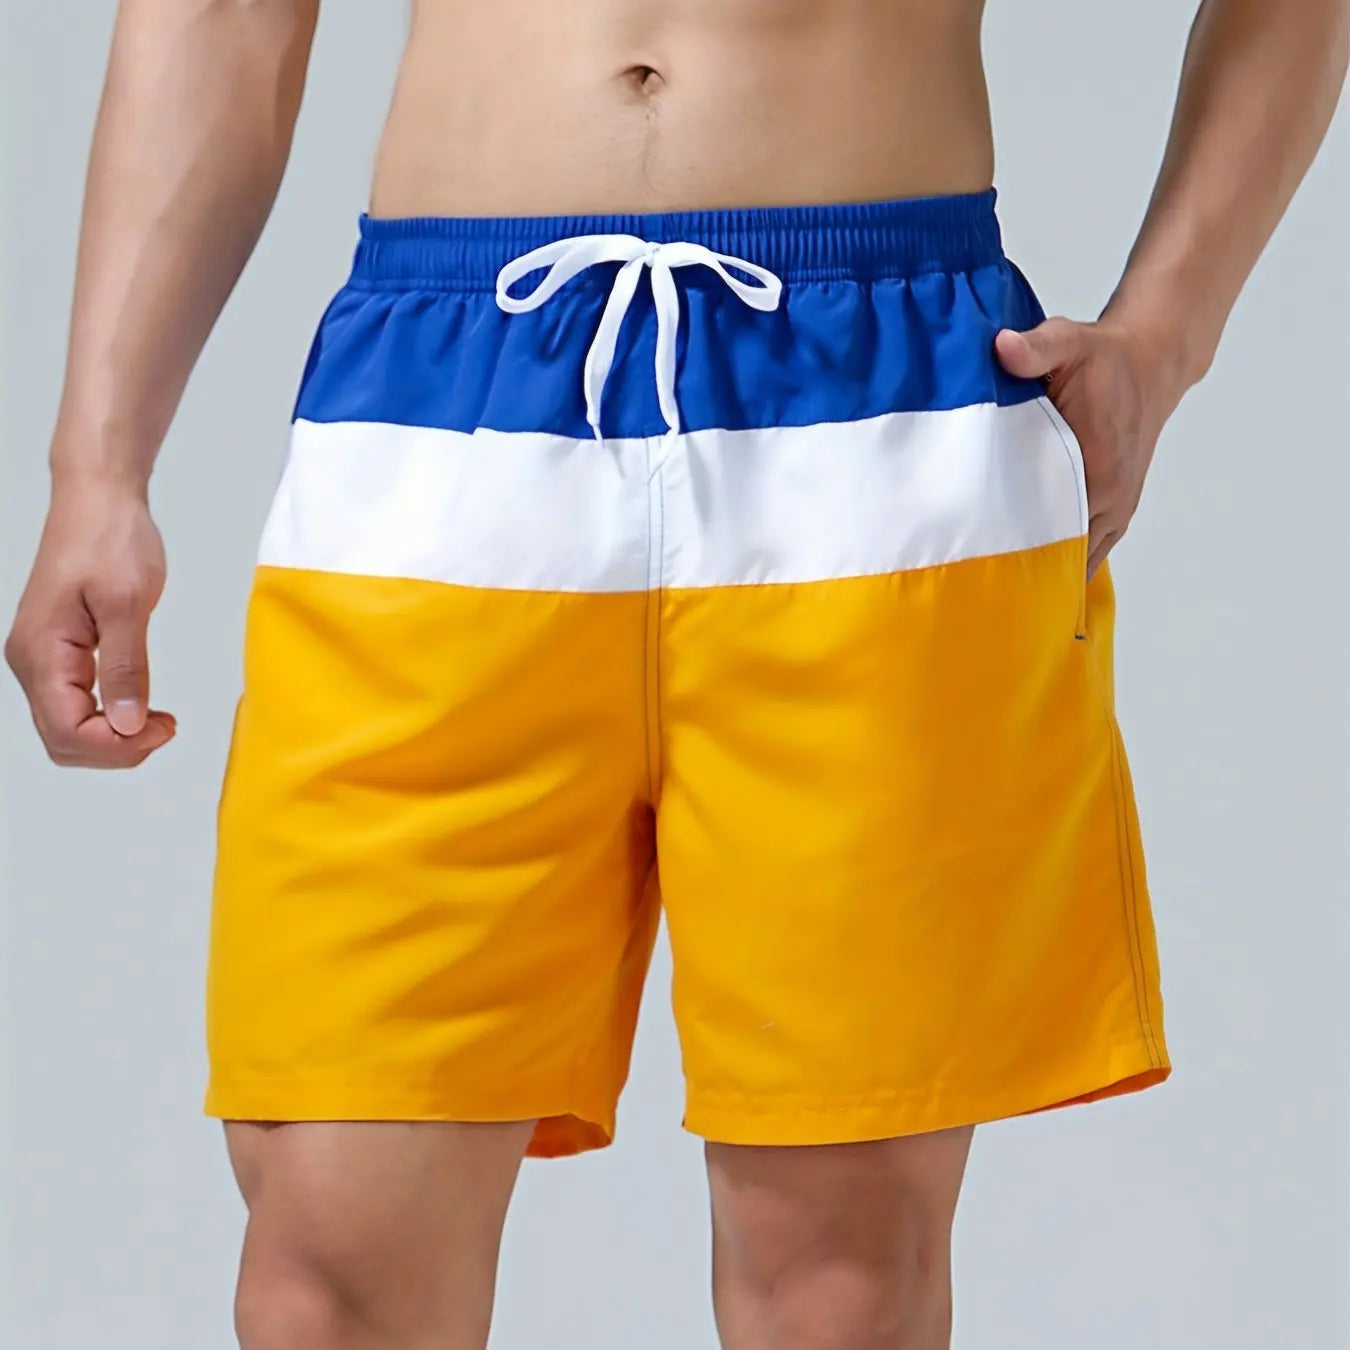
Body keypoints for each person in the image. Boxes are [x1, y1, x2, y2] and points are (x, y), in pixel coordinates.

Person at [7, 0, 1346, 1346]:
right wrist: (97, 468)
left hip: (873, 410)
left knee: (837, 1282)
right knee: (329, 1273)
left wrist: (1165, 333)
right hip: (443, 409)